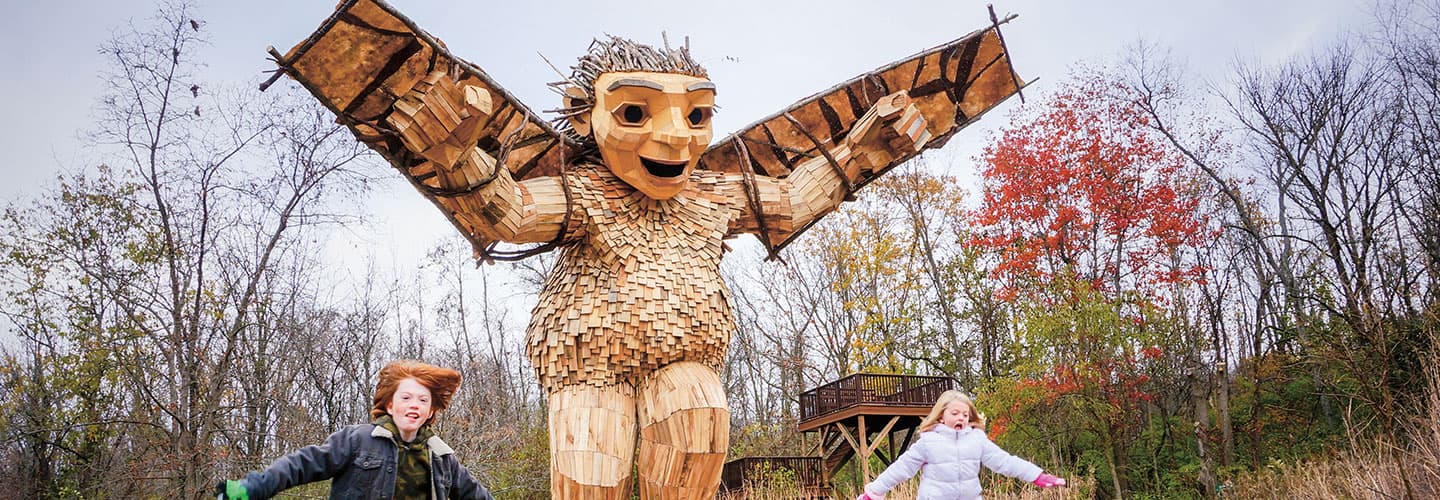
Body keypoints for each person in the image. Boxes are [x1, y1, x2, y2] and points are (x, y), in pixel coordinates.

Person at [216, 360, 493, 500]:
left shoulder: (442, 458)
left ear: (431, 411)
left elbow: (477, 496)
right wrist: (252, 488)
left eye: (423, 400)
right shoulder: (358, 441)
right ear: (389, 404)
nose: (414, 406)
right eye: (406, 398)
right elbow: (301, 464)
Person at [856, 390, 1065, 500]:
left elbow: (1005, 462)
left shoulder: (976, 440)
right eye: (955, 413)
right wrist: (874, 492)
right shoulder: (928, 442)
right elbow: (900, 470)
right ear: (941, 416)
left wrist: (1036, 475)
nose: (961, 418)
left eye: (965, 414)